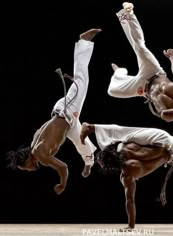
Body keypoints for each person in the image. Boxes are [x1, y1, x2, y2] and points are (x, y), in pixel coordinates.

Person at [6, 28, 102, 195]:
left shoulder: (40, 154)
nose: (29, 170)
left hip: (66, 110)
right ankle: (89, 163)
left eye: (25, 168)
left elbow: (63, 168)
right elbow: (41, 130)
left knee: (82, 80)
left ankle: (84, 41)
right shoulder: (34, 145)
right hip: (65, 119)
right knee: (81, 141)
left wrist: (62, 185)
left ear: (27, 160)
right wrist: (58, 124)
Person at [80, 122, 173, 230]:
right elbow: (120, 131)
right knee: (125, 133)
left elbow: (130, 200)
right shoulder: (124, 147)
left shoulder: (127, 174)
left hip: (169, 150)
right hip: (163, 140)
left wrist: (131, 226)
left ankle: (92, 127)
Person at [108, 2, 173, 129]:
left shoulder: (171, 114)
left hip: (142, 88)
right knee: (139, 46)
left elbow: (164, 114)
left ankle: (119, 72)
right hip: (153, 72)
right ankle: (129, 12)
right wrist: (172, 58)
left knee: (112, 91)